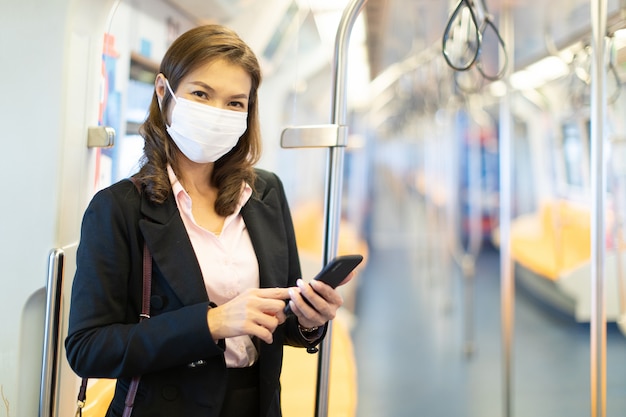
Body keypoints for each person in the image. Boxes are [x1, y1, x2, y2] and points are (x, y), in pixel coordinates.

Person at [65, 24, 351, 417]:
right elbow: (87, 348)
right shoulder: (118, 208)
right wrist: (211, 323)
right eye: (201, 94)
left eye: (235, 103)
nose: (218, 114)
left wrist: (307, 319)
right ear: (164, 92)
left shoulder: (266, 194)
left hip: (256, 403)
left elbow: (278, 318)